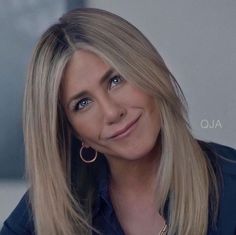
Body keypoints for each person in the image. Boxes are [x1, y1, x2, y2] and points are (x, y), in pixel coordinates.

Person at [1, 8, 236, 235]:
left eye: (116, 80)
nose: (112, 112)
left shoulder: (230, 182)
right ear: (72, 130)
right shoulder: (50, 208)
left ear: (150, 70)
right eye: (82, 103)